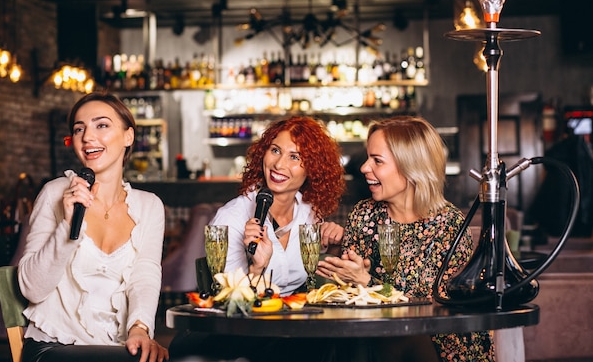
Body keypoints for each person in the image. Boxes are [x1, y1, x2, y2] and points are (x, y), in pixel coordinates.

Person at [316, 115, 495, 362]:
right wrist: (340, 264)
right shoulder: (364, 214)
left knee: (399, 336)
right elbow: (347, 298)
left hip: (442, 343)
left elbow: (435, 310)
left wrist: (367, 281)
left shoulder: (448, 224)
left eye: (377, 160)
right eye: (368, 158)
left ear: (411, 168)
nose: (364, 168)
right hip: (376, 340)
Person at [17, 92, 169, 362]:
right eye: (79, 129)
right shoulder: (54, 194)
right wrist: (67, 224)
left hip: (116, 347)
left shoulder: (150, 206)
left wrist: (140, 329)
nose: (87, 137)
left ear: (128, 137)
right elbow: (32, 289)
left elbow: (144, 277)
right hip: (53, 346)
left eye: (101, 125)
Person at [211, 115, 347, 296]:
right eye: (275, 151)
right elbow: (226, 300)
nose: (279, 164)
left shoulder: (309, 212)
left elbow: (320, 271)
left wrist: (334, 245)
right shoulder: (231, 218)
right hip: (250, 319)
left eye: (294, 157)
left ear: (313, 168)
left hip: (297, 315)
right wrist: (257, 268)